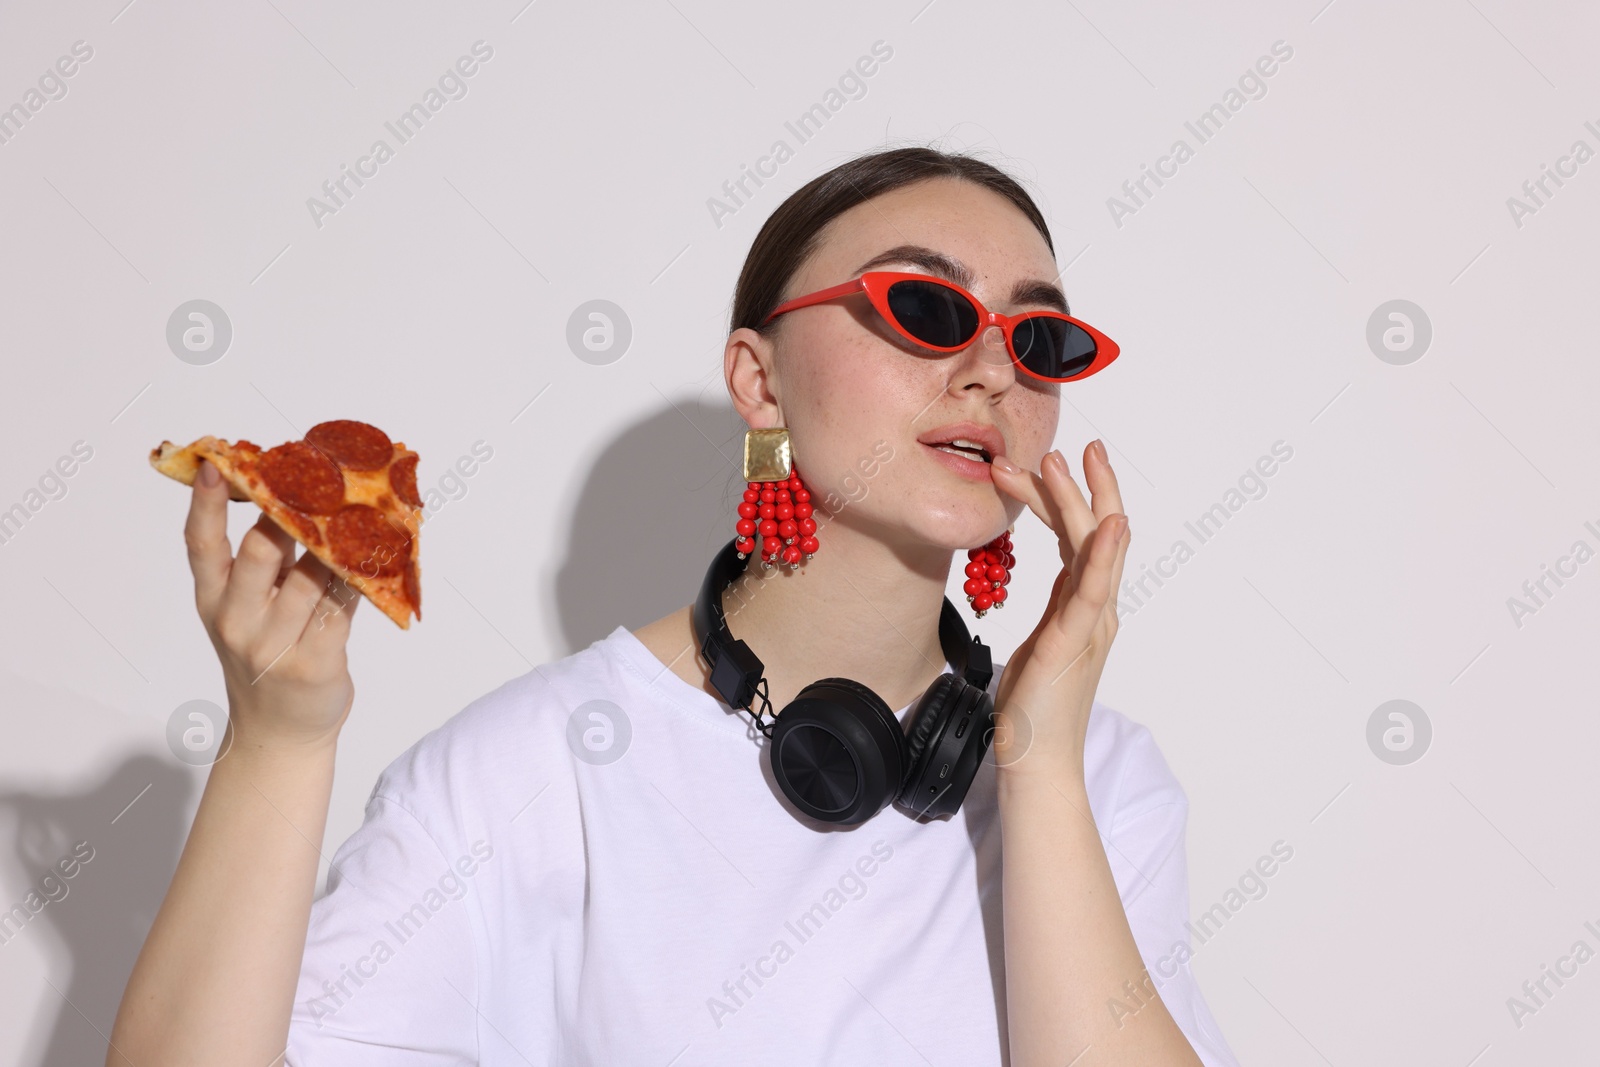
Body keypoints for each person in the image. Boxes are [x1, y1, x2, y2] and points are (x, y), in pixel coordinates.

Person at [108, 146, 1241, 1066]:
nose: (994, 368)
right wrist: (275, 745)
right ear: (758, 379)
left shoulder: (1104, 787)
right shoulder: (532, 772)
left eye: (1038, 338)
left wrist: (1035, 763)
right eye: (926, 309)